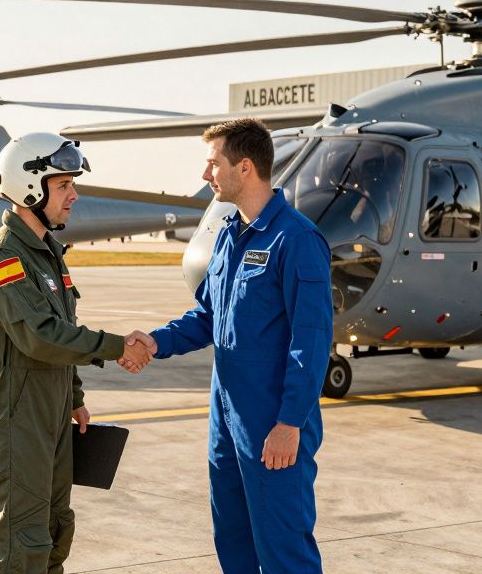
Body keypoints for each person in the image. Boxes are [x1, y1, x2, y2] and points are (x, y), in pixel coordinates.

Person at [123, 119, 333, 573]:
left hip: (272, 422)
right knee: (233, 540)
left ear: (244, 167)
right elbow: (207, 316)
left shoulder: (296, 240)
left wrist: (289, 423)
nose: (205, 175)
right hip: (227, 419)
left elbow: (311, 342)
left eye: (212, 163)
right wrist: (156, 341)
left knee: (283, 549)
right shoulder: (228, 237)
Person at [0, 132, 152, 573]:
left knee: (54, 527)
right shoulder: (2, 260)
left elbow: (61, 332)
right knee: (21, 541)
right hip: (18, 414)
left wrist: (75, 398)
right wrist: (116, 346)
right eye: (64, 184)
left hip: (50, 409)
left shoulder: (47, 256)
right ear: (31, 187)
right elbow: (41, 336)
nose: (74, 195)